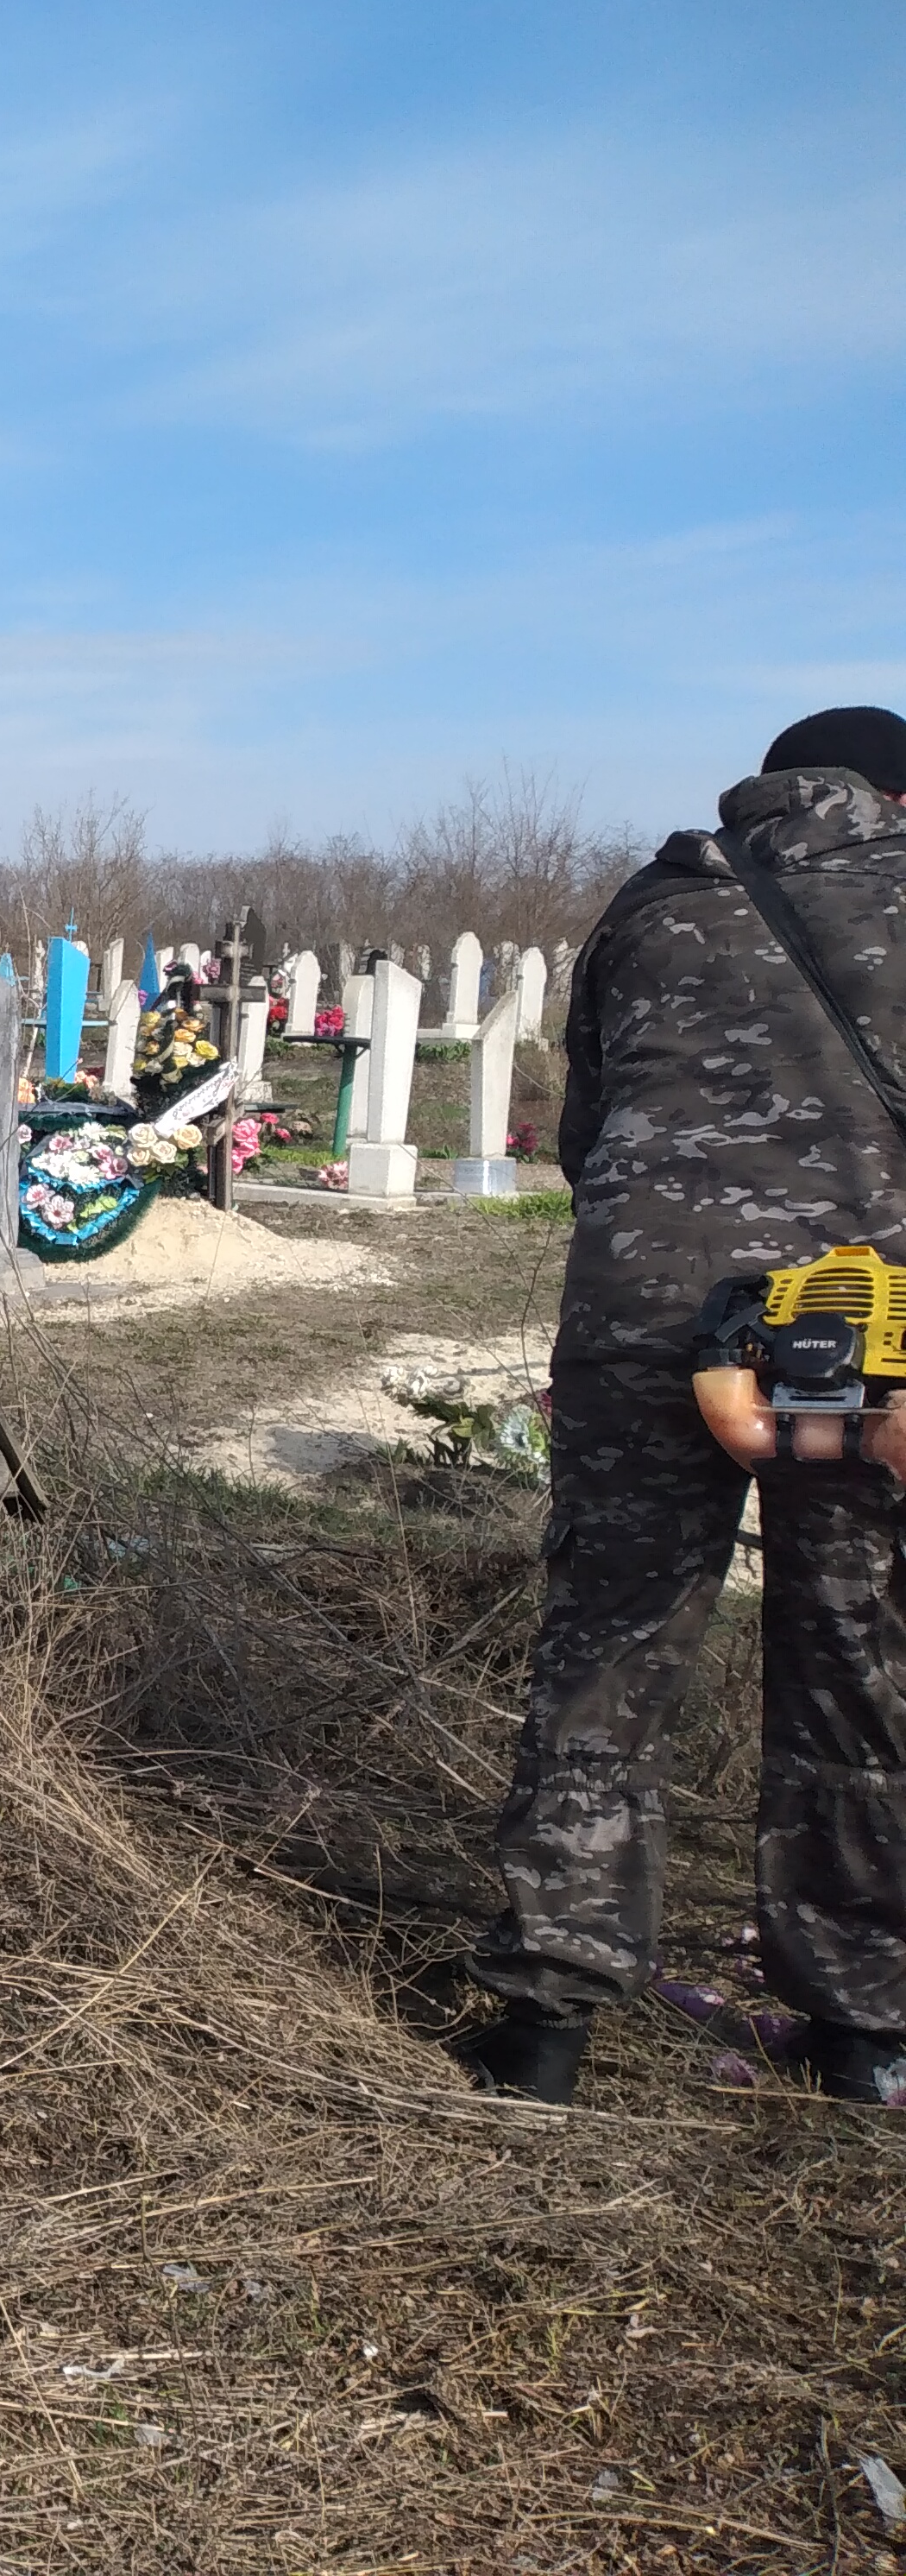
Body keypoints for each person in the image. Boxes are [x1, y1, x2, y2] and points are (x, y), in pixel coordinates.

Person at [462, 705, 906, 2104]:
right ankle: (865, 2032)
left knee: (609, 1648)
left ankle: (544, 2021)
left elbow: (589, 1132)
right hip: (854, 1329)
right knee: (856, 1652)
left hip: (650, 1319)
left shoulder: (655, 901)